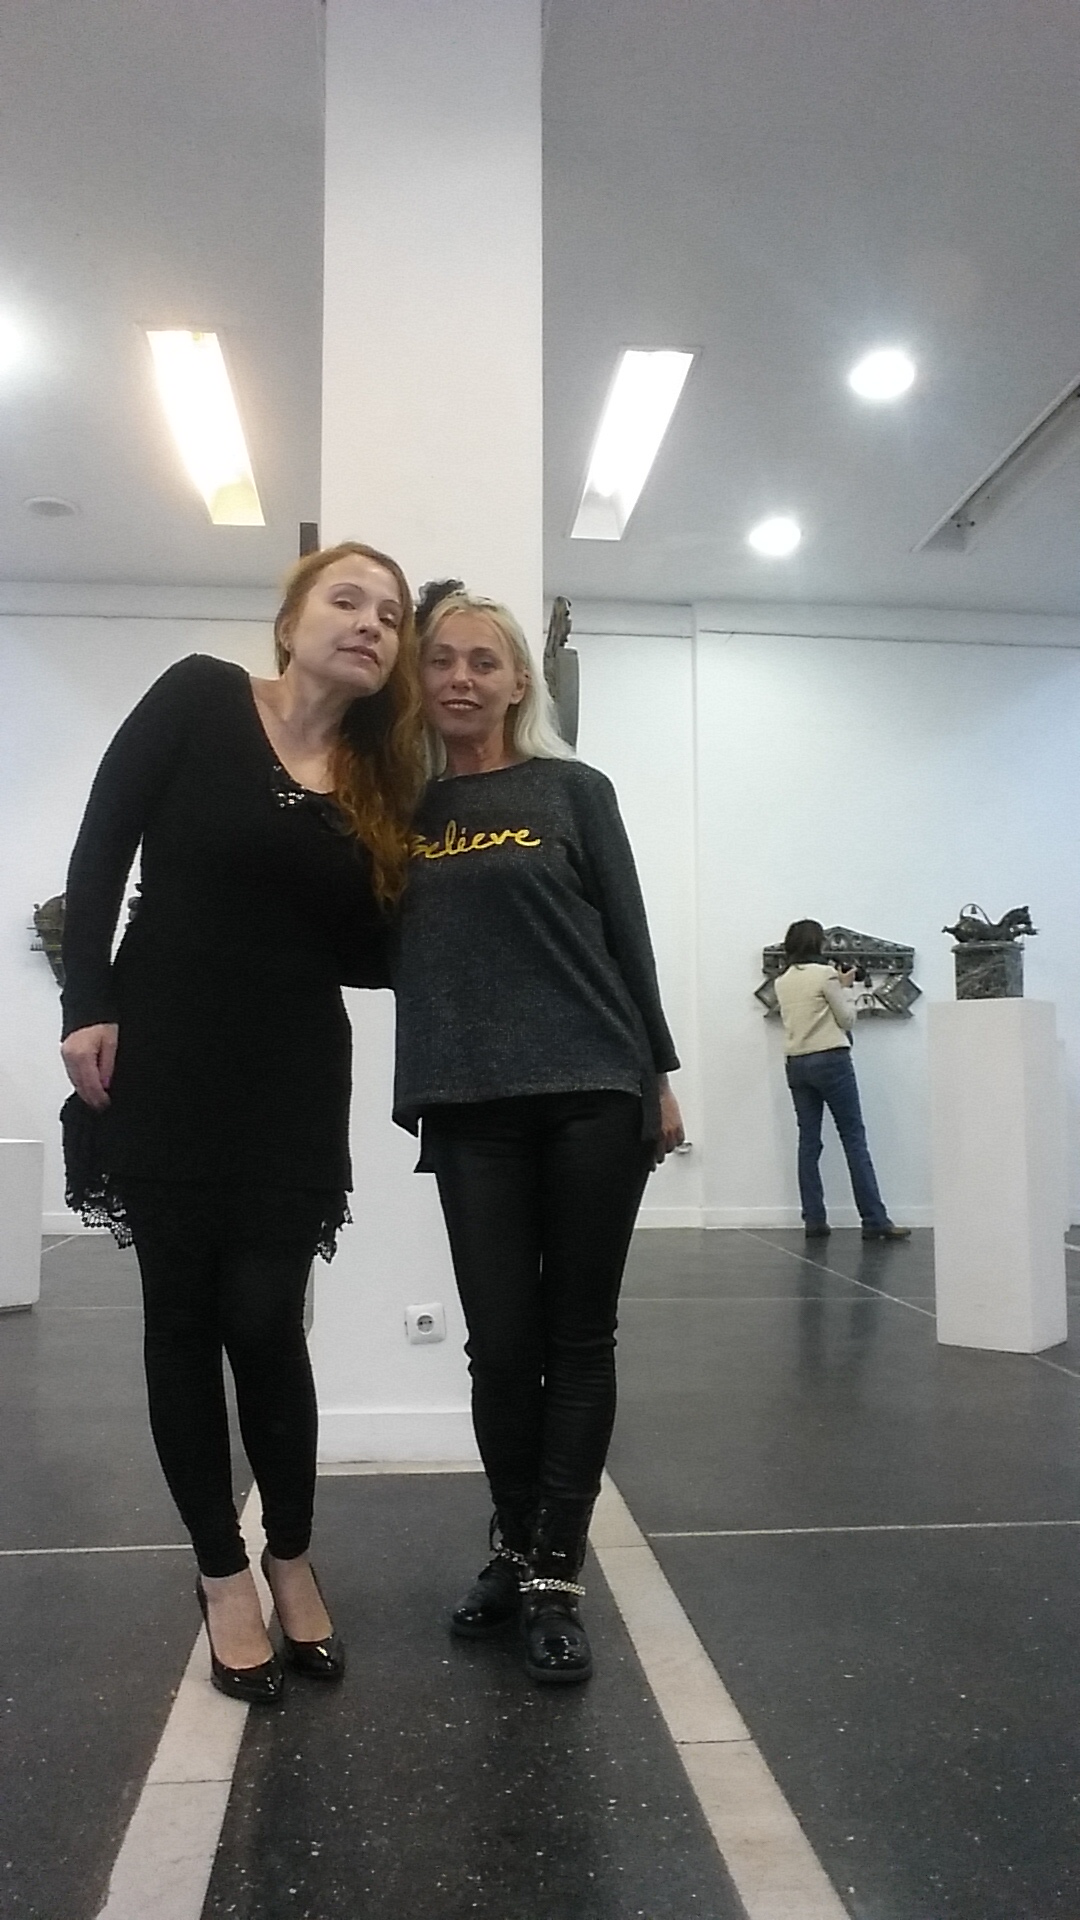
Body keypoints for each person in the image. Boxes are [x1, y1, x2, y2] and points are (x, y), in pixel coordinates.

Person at [60, 543, 424, 1703]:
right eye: (347, 599)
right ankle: (221, 1574)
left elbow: (370, 951)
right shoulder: (198, 698)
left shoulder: (379, 780)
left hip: (292, 1072)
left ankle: (292, 1556)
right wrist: (85, 1004)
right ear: (292, 618)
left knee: (266, 1320)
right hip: (167, 1053)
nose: (369, 623)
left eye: (391, 615)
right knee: (180, 1317)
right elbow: (100, 847)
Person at [392, 587, 684, 1686]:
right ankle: (515, 1547)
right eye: (442, 661)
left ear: (521, 681)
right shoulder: (405, 811)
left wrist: (657, 1076)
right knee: (500, 1346)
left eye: (484, 661)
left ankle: (554, 1572)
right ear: (419, 682)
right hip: (470, 1099)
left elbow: (629, 937)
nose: (461, 678)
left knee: (578, 1338)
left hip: (592, 1085)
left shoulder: (574, 790)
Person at [774, 919, 910, 1243]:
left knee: (809, 1142)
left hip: (796, 1062)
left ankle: (814, 1219)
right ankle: (874, 1219)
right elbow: (847, 1019)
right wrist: (845, 986)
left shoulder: (783, 980)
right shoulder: (825, 975)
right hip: (831, 1060)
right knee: (853, 1138)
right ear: (817, 943)